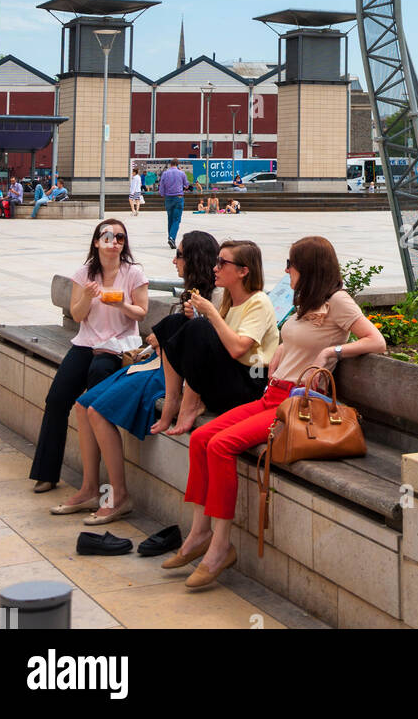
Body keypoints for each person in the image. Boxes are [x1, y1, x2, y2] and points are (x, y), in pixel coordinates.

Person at [167, 235, 386, 590]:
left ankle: (220, 546)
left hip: (295, 405)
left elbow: (376, 341)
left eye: (291, 264)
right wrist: (283, 347)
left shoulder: (338, 302)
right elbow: (295, 339)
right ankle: (199, 533)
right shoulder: (307, 301)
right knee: (202, 437)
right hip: (272, 395)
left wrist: (334, 351)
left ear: (309, 268)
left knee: (221, 446)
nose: (285, 270)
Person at [53, 233, 219, 523]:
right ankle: (91, 489)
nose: (174, 260)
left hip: (166, 373)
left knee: (97, 411)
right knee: (82, 405)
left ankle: (118, 497)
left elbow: (208, 346)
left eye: (179, 255)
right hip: (155, 363)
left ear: (193, 259)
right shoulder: (194, 293)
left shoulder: (214, 297)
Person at [30, 220, 148, 494]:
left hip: (118, 346)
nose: (114, 241)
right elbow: (78, 314)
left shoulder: (134, 273)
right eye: (107, 236)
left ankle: (95, 483)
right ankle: (47, 473)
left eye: (120, 237)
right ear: (97, 242)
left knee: (96, 391)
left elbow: (142, 312)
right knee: (57, 399)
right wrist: (86, 296)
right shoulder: (84, 274)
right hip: (85, 342)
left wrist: (121, 304)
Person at [149, 239, 276, 437]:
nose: (215, 268)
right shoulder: (228, 298)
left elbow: (237, 349)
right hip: (228, 378)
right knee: (174, 322)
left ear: (243, 271)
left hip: (250, 384)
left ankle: (190, 404)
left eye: (222, 263)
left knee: (199, 326)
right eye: (217, 262)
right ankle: (173, 399)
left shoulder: (259, 301)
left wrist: (210, 313)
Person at [159, 158, 189, 250]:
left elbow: (162, 185)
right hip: (178, 197)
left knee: (170, 218)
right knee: (176, 219)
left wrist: (162, 194)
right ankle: (172, 237)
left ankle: (170, 237)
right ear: (178, 164)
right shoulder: (181, 173)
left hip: (168, 198)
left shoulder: (165, 173)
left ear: (170, 164)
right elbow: (186, 185)